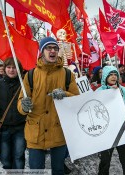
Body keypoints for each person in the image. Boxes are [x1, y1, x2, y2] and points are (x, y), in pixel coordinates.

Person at [17, 37, 80, 175]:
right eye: (49, 48)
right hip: (35, 132)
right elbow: (21, 102)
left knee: (58, 170)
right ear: (42, 51)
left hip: (59, 130)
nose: (53, 51)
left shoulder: (67, 74)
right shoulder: (31, 75)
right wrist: (24, 106)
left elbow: (77, 99)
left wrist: (65, 94)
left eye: (55, 48)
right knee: (36, 170)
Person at [0, 58, 26, 169]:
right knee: (5, 157)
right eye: (9, 67)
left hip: (20, 127)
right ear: (4, 69)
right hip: (2, 128)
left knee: (18, 156)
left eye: (14, 68)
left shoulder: (24, 85)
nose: (11, 70)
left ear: (19, 69)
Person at [96, 66, 125, 175]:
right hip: (107, 132)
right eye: (111, 74)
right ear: (105, 76)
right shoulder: (99, 91)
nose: (114, 77)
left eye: (115, 74)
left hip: (124, 129)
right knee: (105, 160)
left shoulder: (123, 90)